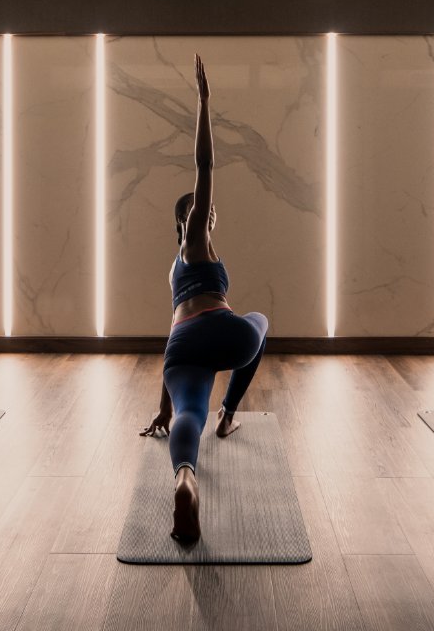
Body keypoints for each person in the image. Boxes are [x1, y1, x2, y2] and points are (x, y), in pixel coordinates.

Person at [138, 54, 269, 544]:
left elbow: (175, 333)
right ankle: (230, 415)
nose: (210, 210)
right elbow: (204, 165)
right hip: (223, 331)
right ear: (190, 218)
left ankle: (186, 480)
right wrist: (203, 100)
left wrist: (164, 406)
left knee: (188, 413)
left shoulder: (175, 268)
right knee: (260, 321)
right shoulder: (195, 237)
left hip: (181, 345)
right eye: (202, 207)